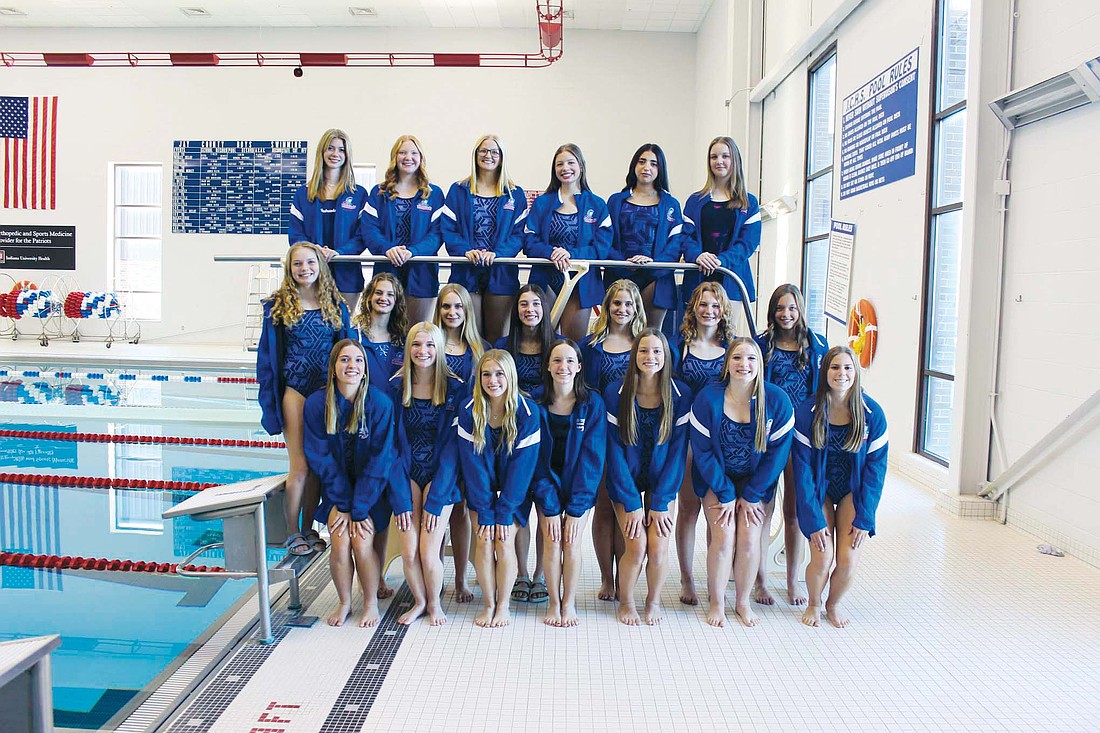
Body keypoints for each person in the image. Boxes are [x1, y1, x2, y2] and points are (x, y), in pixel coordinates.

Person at [687, 338, 794, 628]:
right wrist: (725, 493)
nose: (743, 365)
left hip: (756, 481)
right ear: (727, 364)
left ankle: (743, 602)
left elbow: (777, 455)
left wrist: (752, 494)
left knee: (749, 536)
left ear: (760, 365)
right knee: (724, 535)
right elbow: (703, 453)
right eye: (737, 358)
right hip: (717, 478)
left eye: (751, 359)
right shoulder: (708, 399)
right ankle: (717, 602)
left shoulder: (777, 401)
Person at [302, 339, 408, 628]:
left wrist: (359, 508)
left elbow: (380, 461)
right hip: (337, 492)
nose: (352, 366)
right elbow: (321, 458)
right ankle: (345, 602)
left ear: (365, 369)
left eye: (358, 360)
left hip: (373, 492)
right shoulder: (317, 404)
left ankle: (370, 603)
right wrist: (343, 504)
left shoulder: (380, 403)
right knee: (339, 541)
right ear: (333, 367)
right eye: (345, 360)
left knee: (361, 542)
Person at [257, 242, 350, 558]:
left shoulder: (335, 304)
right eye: (297, 264)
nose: (304, 268)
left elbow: (347, 350)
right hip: (295, 392)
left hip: (324, 394)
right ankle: (291, 531)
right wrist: (268, 406)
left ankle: (309, 527)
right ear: (289, 269)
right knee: (299, 466)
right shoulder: (277, 307)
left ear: (320, 266)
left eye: (310, 262)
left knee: (319, 466)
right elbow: (266, 361)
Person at [792, 346, 888, 628]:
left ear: (856, 372)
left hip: (851, 491)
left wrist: (865, 518)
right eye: (835, 367)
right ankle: (814, 603)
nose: (841, 373)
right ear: (825, 372)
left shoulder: (872, 414)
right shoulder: (807, 412)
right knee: (822, 555)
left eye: (848, 368)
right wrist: (812, 520)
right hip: (819, 490)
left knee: (847, 559)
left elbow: (875, 473)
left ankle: (832, 604)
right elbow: (803, 473)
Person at [603, 328, 691, 626]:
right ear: (634, 355)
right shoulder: (615, 393)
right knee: (637, 545)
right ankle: (627, 603)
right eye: (643, 350)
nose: (650, 357)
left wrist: (661, 501)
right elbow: (614, 454)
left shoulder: (680, 395)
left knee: (659, 546)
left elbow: (677, 454)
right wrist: (631, 503)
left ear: (666, 356)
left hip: (662, 480)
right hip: (625, 480)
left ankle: (653, 602)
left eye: (656, 351)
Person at [753, 283, 830, 606]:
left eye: (791, 308)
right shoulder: (761, 345)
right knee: (763, 510)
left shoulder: (817, 346)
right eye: (780, 308)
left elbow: (826, 390)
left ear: (800, 310)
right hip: (770, 436)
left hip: (803, 437)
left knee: (795, 512)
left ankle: (792, 582)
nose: (786, 314)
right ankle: (760, 582)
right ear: (772, 312)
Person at [456, 350, 542, 628]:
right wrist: (484, 511)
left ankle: (503, 605)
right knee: (483, 539)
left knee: (503, 540)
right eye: (486, 374)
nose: (492, 380)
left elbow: (522, 470)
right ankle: (489, 604)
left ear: (511, 377)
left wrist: (503, 513)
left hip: (514, 493)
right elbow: (473, 467)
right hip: (480, 491)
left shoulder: (528, 412)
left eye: (499, 374)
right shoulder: (469, 410)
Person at [389, 322, 465, 626]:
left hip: (441, 475)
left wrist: (436, 499)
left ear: (439, 349)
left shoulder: (455, 388)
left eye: (430, 345)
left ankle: (435, 603)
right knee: (409, 551)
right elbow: (392, 448)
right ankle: (419, 601)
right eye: (417, 345)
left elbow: (454, 449)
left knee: (428, 550)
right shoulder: (396, 388)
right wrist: (400, 499)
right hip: (406, 473)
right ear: (408, 349)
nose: (423, 351)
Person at [581, 279, 648, 601]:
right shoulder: (590, 345)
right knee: (605, 508)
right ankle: (607, 578)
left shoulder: (644, 344)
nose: (622, 309)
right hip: (600, 434)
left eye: (628, 304)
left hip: (634, 437)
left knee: (627, 508)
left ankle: (625, 579)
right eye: (616, 303)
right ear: (606, 307)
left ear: (637, 309)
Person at [533, 339, 606, 627]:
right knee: (552, 541)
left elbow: (592, 460)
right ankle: (554, 602)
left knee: (571, 541)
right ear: (548, 366)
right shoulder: (534, 402)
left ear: (579, 367)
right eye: (557, 360)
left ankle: (569, 602)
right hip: (546, 486)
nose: (563, 366)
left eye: (569, 361)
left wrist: (576, 509)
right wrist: (549, 506)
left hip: (579, 486)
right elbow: (534, 460)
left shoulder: (592, 404)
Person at [494, 283, 559, 604]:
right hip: (514, 435)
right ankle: (520, 573)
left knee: (546, 507)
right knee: (519, 505)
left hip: (549, 436)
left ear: (544, 309)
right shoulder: (504, 346)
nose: (530, 310)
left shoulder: (557, 345)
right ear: (516, 310)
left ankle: (541, 575)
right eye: (523, 304)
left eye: (535, 304)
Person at [674, 282, 738, 606]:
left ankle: (716, 578)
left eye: (715, 305)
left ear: (723, 310)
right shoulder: (680, 347)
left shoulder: (731, 349)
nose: (709, 311)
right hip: (688, 438)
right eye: (703, 304)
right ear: (693, 308)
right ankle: (686, 578)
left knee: (717, 512)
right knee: (688, 509)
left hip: (719, 441)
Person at [442, 134, 529, 342]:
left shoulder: (514, 194)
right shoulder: (458, 190)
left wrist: (497, 254)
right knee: (470, 336)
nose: (488, 155)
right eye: (483, 150)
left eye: (494, 152)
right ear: (475, 155)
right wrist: (465, 251)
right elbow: (448, 230)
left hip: (501, 273)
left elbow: (519, 235)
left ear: (502, 157)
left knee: (497, 339)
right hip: (466, 271)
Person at [523, 143, 613, 342]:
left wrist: (570, 254)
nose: (565, 168)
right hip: (546, 280)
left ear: (581, 166)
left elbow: (601, 248)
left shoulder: (597, 205)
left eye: (571, 162)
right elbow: (529, 242)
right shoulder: (542, 203)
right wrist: (551, 252)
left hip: (580, 283)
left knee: (573, 345)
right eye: (560, 164)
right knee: (540, 343)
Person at [361, 134, 445, 324]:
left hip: (422, 274)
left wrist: (412, 252)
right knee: (385, 330)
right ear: (394, 157)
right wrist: (387, 249)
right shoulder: (379, 193)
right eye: (402, 153)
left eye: (414, 153)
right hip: (387, 269)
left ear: (421, 158)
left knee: (417, 331)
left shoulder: (433, 194)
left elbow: (437, 234)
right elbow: (369, 229)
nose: (408, 157)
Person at [605, 143, 690, 330]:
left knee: (651, 336)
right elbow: (605, 240)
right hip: (620, 275)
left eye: (653, 163)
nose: (646, 167)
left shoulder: (671, 204)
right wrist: (624, 264)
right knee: (620, 334)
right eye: (642, 162)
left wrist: (652, 264)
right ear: (634, 165)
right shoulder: (615, 201)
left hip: (656, 277)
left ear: (660, 169)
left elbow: (675, 244)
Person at [682, 136, 761, 335]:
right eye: (714, 157)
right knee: (695, 337)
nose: (719, 161)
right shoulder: (695, 201)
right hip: (698, 277)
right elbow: (685, 237)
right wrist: (697, 256)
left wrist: (721, 261)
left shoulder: (748, 202)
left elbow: (748, 243)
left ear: (734, 160)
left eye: (725, 156)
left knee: (726, 338)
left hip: (732, 280)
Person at [288, 129, 369, 310]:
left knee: (342, 324)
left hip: (347, 275)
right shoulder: (303, 194)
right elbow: (295, 234)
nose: (335, 154)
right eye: (330, 148)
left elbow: (362, 236)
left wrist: (339, 252)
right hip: (311, 275)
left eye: (341, 149)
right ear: (322, 152)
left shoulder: (358, 194)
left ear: (347, 155)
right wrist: (313, 251)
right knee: (315, 323)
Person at [352, 272, 407, 392]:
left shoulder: (402, 340)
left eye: (390, 294)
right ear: (369, 297)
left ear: (396, 300)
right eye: (378, 293)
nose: (383, 298)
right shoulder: (355, 336)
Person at [433, 283, 489, 382]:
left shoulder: (483, 348)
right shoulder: (429, 345)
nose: (452, 312)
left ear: (467, 310)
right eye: (446, 306)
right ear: (439, 310)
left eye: (458, 306)